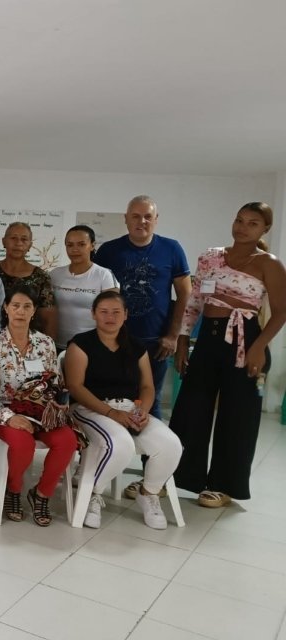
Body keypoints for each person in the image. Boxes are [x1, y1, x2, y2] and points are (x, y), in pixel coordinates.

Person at [170, 202, 286, 508]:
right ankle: (178, 477)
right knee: (190, 409)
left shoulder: (269, 263)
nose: (242, 227)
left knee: (238, 417)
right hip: (208, 338)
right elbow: (194, 301)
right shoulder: (211, 256)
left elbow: (281, 311)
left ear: (265, 229)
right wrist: (183, 340)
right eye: (239, 220)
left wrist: (259, 346)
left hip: (246, 341)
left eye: (252, 223)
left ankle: (223, 485)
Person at [65, 291, 183, 530]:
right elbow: (75, 388)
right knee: (121, 444)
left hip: (130, 408)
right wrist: (111, 413)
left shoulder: (136, 345)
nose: (110, 317)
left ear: (126, 315)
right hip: (90, 409)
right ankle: (93, 494)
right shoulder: (80, 343)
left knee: (171, 445)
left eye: (116, 312)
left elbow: (148, 386)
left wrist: (143, 411)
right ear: (93, 314)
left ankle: (148, 492)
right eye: (104, 312)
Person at [0, 286, 79, 526]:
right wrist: (8, 417)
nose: (21, 312)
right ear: (6, 308)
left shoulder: (45, 343)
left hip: (39, 411)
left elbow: (55, 382)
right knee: (22, 442)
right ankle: (13, 489)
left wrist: (54, 410)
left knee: (68, 441)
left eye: (27, 306)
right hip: (2, 411)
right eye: (15, 306)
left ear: (34, 311)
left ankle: (41, 493)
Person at [94, 195, 191, 418]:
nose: (142, 221)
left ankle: (153, 453)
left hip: (156, 342)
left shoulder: (172, 248)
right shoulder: (109, 250)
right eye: (136, 216)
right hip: (115, 340)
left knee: (150, 401)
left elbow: (186, 293)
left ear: (156, 219)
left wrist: (173, 335)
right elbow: (98, 294)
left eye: (148, 216)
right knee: (113, 399)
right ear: (126, 219)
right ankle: (116, 450)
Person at [50, 225, 118, 350]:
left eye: (81, 244)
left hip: (91, 347)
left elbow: (114, 313)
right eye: (70, 245)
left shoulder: (104, 275)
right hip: (57, 345)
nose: (75, 249)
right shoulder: (54, 274)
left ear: (92, 245)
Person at [0, 222, 58, 339]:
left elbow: (48, 319)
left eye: (24, 239)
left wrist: (49, 350)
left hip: (30, 344)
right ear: (3, 241)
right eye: (13, 238)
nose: (18, 243)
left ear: (30, 245)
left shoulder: (41, 277)